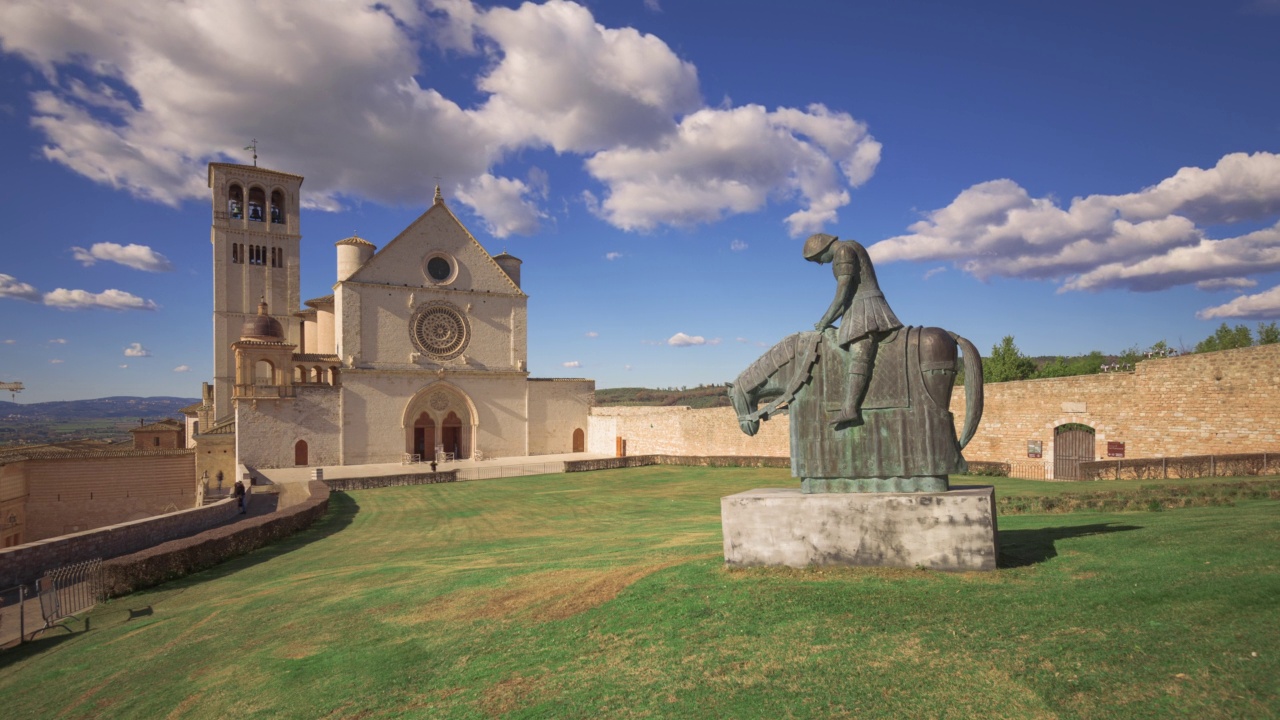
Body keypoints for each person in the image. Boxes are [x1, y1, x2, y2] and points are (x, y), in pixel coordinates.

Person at [804, 233, 903, 426]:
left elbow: (842, 292)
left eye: (817, 259)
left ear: (822, 249)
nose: (820, 264)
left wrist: (825, 319)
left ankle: (849, 409)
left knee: (859, 353)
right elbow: (846, 297)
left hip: (865, 307)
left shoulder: (843, 251)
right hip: (856, 306)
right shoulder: (849, 246)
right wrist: (828, 320)